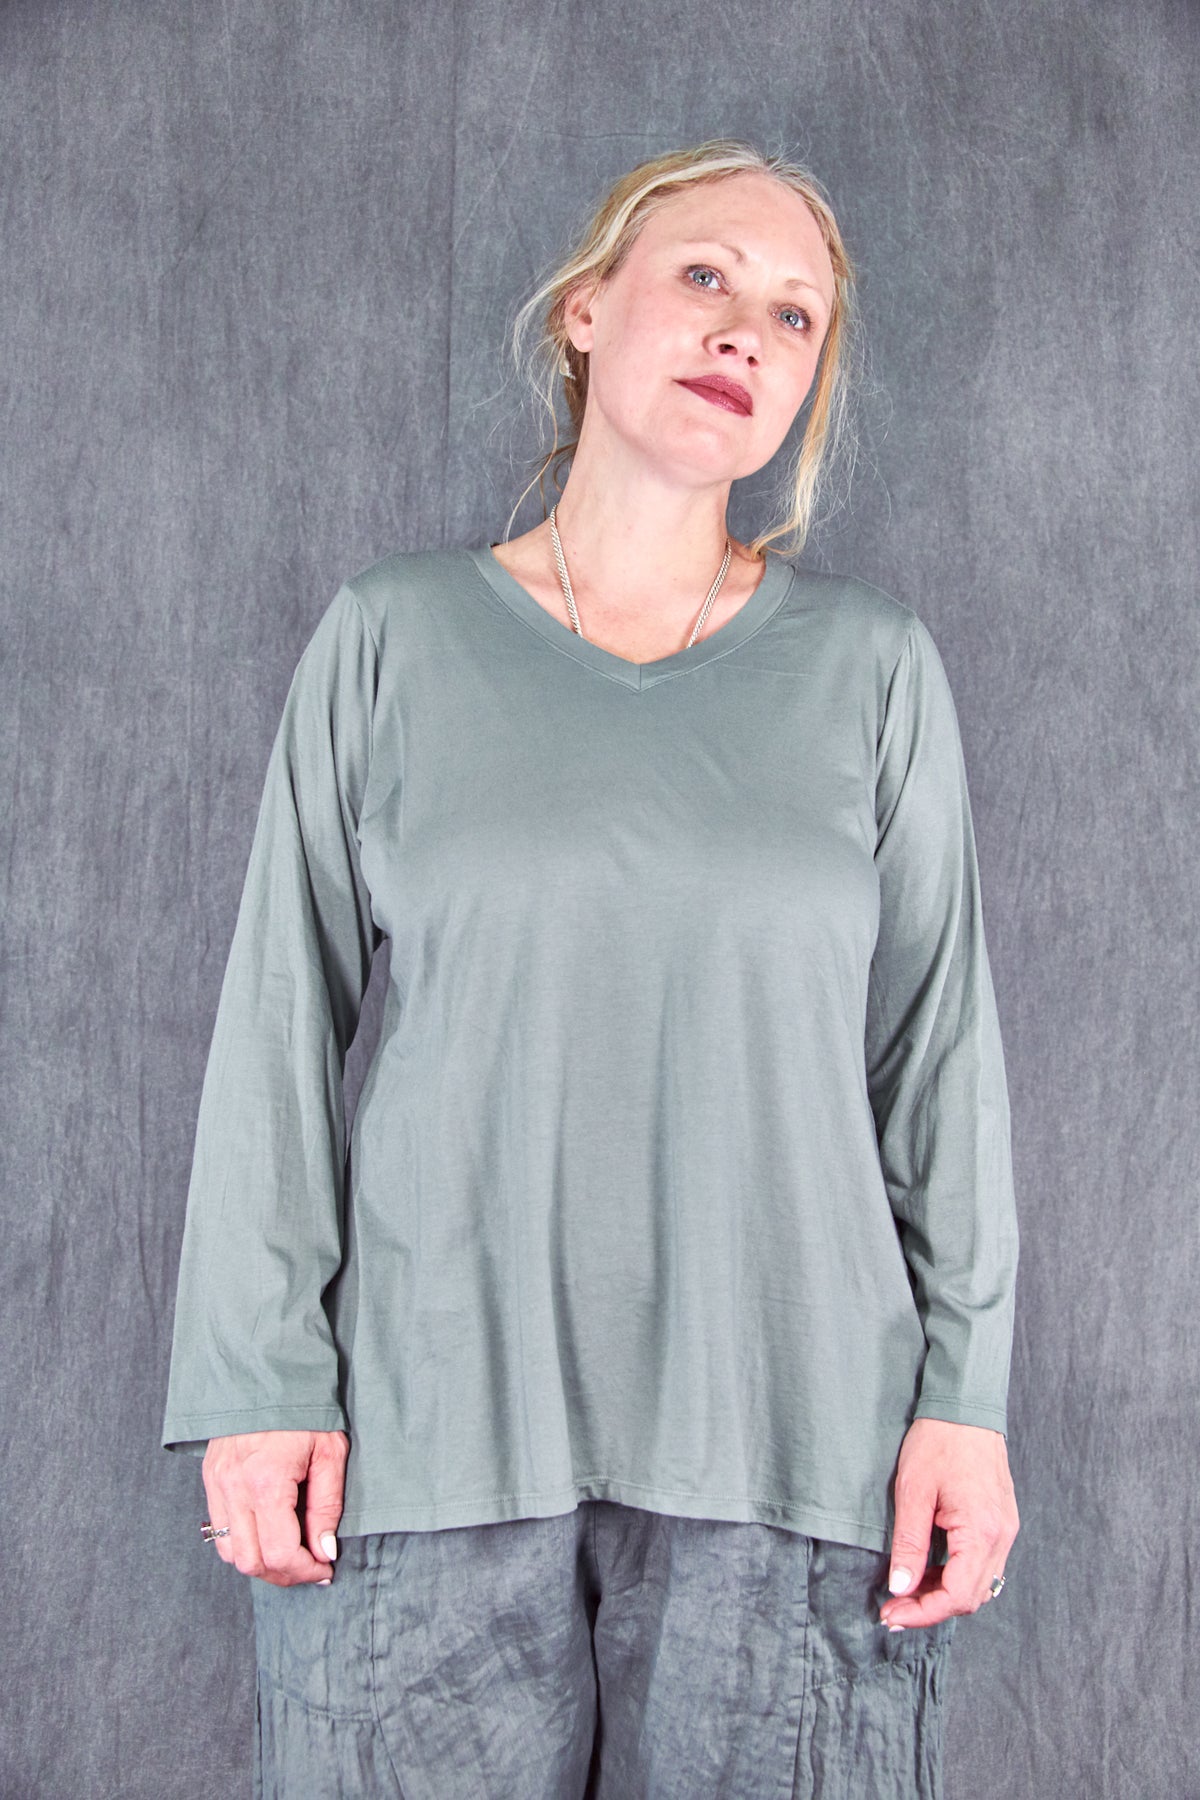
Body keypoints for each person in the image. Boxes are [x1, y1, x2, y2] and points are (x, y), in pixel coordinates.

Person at [162, 138, 1020, 1798]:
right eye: (705, 276)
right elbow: (276, 1027)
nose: (746, 331)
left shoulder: (873, 671)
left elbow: (941, 1065)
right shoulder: (393, 637)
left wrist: (964, 1405)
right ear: (583, 309)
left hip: (795, 1455)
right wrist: (259, 1375)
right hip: (425, 1448)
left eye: (795, 316)